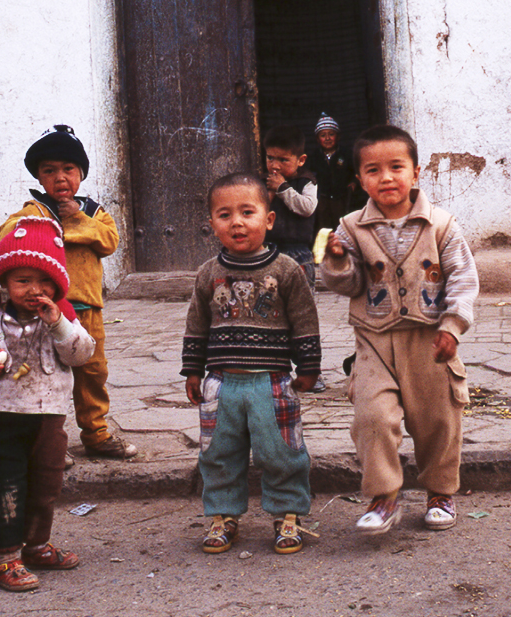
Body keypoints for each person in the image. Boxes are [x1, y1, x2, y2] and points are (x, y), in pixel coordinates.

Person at [320, 124, 479, 534]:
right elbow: (348, 284)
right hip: (374, 341)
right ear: (360, 180)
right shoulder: (351, 227)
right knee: (371, 417)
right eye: (373, 170)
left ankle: (440, 492)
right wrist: (337, 260)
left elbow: (462, 278)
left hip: (430, 341)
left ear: (416, 171)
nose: (386, 177)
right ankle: (383, 497)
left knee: (438, 419)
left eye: (396, 167)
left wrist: (452, 325)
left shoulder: (441, 224)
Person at [0, 216, 96, 591]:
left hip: (49, 420)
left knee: (46, 487)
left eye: (44, 280)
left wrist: (59, 324)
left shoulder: (60, 318)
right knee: (8, 487)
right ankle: (7, 559)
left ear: (58, 283)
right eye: (23, 280)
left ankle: (36, 546)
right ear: (3, 282)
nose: (35, 289)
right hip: (5, 419)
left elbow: (82, 354)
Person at [181, 172, 322, 555]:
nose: (237, 222)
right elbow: (197, 324)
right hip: (222, 383)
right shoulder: (209, 273)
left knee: (282, 451)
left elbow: (305, 320)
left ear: (269, 219)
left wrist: (308, 368)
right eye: (224, 215)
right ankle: (223, 515)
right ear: (212, 224)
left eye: (247, 212)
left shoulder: (286, 271)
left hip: (272, 382)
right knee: (219, 453)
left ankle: (287, 514)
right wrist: (193, 370)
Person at [0, 125, 137, 459]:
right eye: (49, 171)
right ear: (39, 178)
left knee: (92, 372)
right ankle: (46, 443)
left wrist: (79, 220)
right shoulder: (31, 213)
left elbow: (109, 242)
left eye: (68, 169)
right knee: (44, 374)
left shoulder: (94, 213)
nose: (60, 178)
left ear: (81, 174)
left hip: (87, 310)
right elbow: (0, 248)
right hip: (44, 313)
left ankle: (96, 434)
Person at [263, 125, 327, 391]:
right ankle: (273, 371)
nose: (275, 166)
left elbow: (306, 208)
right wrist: (265, 197)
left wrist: (283, 189)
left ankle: (310, 372)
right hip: (268, 253)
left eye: (283, 160)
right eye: (270, 158)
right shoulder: (265, 182)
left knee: (302, 314)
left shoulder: (306, 182)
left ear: (300, 161)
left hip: (298, 255)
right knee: (268, 311)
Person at [306, 112, 367, 233]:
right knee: (324, 228)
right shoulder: (314, 157)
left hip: (342, 198)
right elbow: (308, 174)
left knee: (343, 225)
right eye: (323, 135)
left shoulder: (345, 154)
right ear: (317, 139)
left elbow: (357, 170)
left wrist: (354, 182)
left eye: (331, 134)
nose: (327, 138)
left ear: (338, 137)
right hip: (322, 199)